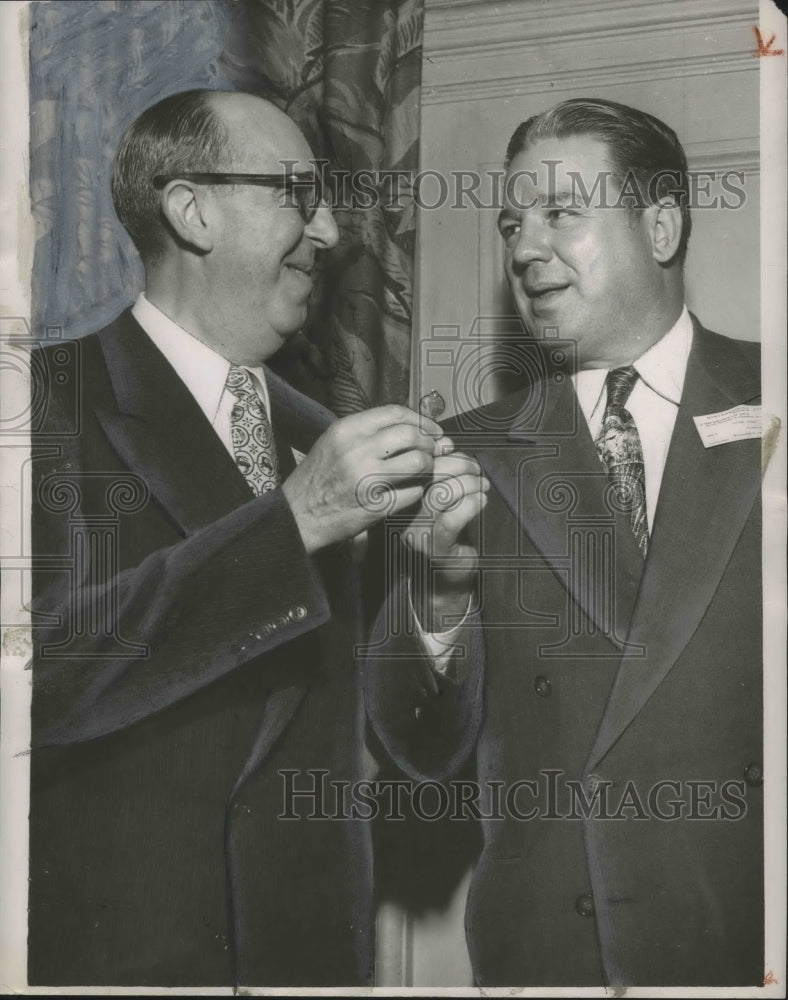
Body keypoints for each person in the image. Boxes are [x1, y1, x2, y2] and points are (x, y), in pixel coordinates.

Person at [28, 88, 453, 988]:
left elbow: (408, 744)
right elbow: (39, 683)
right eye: (297, 190)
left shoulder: (324, 435)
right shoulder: (41, 408)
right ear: (191, 211)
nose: (331, 230)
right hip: (125, 958)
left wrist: (442, 598)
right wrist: (291, 523)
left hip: (314, 960)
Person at [365, 98, 763, 987]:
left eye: (560, 213)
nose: (523, 248)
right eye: (511, 222)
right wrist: (436, 599)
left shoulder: (774, 406)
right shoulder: (458, 455)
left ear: (660, 225)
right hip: (552, 953)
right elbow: (415, 750)